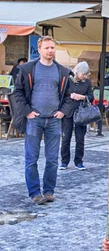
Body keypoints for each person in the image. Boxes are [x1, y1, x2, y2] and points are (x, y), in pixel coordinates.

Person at [12, 36, 73, 204]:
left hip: (54, 120)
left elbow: (69, 96)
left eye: (52, 47)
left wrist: (62, 112)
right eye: (46, 48)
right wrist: (27, 112)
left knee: (52, 159)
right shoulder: (28, 69)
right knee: (31, 158)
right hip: (34, 119)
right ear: (39, 50)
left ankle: (48, 191)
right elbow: (17, 93)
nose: (50, 50)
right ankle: (34, 193)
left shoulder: (62, 71)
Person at [59, 61, 94, 171]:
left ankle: (79, 161)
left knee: (80, 138)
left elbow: (91, 97)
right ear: (77, 71)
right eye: (82, 74)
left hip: (81, 112)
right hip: (68, 112)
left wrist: (82, 97)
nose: (83, 76)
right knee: (66, 138)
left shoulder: (87, 83)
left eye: (85, 75)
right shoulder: (68, 80)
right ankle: (64, 161)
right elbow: (62, 96)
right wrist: (70, 97)